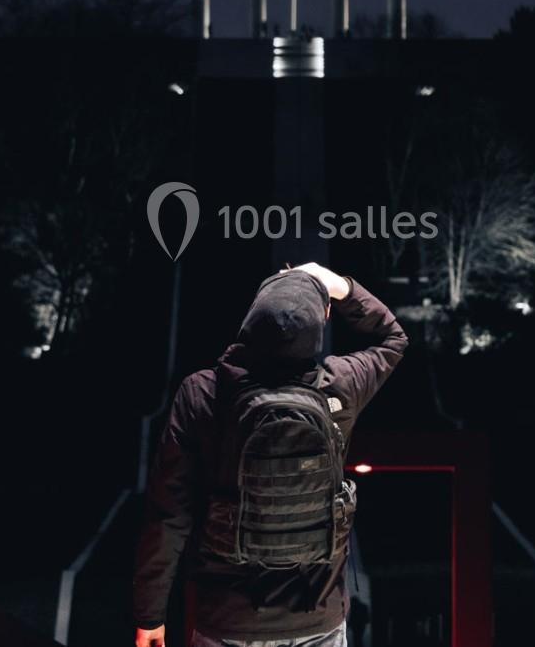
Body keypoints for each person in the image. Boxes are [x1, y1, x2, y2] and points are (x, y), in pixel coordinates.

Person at [133, 262, 409, 647]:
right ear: (323, 318)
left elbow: (169, 512)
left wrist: (150, 615)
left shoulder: (202, 394)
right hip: (319, 618)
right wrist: (342, 286)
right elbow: (392, 337)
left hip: (226, 621)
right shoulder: (340, 386)